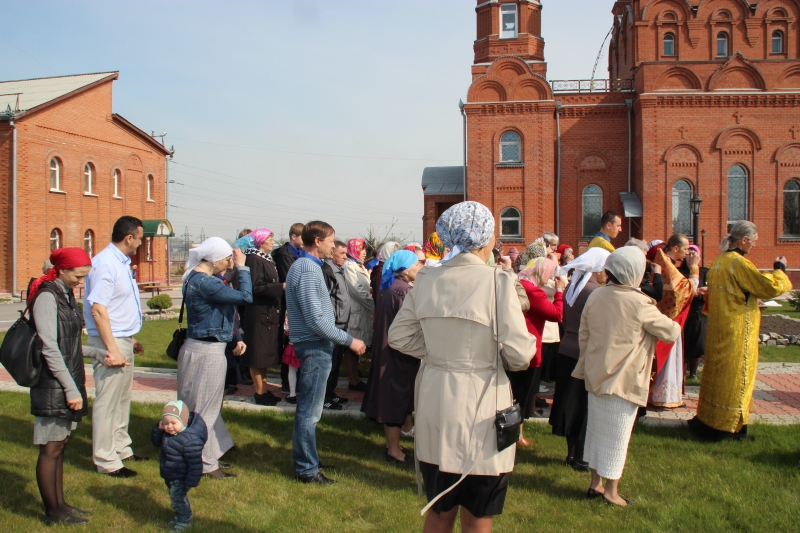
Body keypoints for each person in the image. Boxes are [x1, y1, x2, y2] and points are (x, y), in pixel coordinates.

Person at [388, 201, 536, 532]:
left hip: (436, 402)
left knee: (439, 510)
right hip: (483, 404)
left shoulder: (426, 277)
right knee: (478, 513)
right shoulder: (497, 281)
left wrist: (436, 353)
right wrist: (495, 357)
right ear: (486, 239)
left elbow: (398, 336)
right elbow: (520, 353)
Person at [574, 247, 680, 506]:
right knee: (618, 437)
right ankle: (611, 492)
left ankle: (595, 485)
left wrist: (585, 366)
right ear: (634, 271)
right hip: (624, 379)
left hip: (596, 375)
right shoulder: (640, 302)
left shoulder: (596, 296)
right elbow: (672, 332)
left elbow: (584, 335)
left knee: (597, 432)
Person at [689, 221, 792, 441]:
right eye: (753, 241)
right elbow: (768, 286)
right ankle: (729, 428)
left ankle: (709, 420)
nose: (754, 246)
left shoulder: (719, 261)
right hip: (737, 331)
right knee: (737, 378)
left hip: (720, 329)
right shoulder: (738, 263)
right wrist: (780, 269)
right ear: (744, 240)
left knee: (718, 376)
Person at [285, 221, 367, 485]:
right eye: (331, 240)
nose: (334, 245)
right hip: (313, 346)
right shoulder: (308, 269)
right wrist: (349, 340)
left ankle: (309, 460)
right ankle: (307, 469)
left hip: (311, 344)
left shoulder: (305, 266)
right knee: (310, 412)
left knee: (309, 410)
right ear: (317, 241)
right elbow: (316, 320)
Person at [29, 248, 105, 525]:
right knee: (50, 448)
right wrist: (70, 389)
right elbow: (49, 347)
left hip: (66, 379)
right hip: (53, 384)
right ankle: (53, 513)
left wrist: (96, 353)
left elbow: (68, 344)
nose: (81, 281)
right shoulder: (48, 297)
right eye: (78, 275)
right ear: (61, 270)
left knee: (60, 445)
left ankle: (61, 505)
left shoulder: (64, 294)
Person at [178, 237, 253, 479]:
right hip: (207, 352)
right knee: (205, 411)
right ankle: (205, 464)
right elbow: (245, 298)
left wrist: (234, 338)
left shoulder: (193, 277)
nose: (230, 262)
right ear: (216, 259)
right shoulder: (206, 283)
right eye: (228, 259)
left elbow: (220, 311)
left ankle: (206, 454)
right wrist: (243, 267)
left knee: (197, 408)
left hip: (197, 347)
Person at [84, 216, 147, 477]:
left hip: (120, 337)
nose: (142, 243)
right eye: (140, 238)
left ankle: (121, 447)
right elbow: (98, 309)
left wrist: (129, 339)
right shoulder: (106, 264)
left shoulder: (121, 262)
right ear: (129, 238)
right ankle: (105, 459)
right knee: (108, 400)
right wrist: (112, 349)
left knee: (121, 399)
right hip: (109, 342)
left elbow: (116, 307)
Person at [549, 247, 610, 472]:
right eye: (604, 268)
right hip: (584, 352)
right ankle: (581, 456)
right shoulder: (594, 291)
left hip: (566, 349)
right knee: (583, 406)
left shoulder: (572, 287)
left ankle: (571, 453)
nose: (606, 273)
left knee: (569, 402)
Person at [362, 249, 424, 463]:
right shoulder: (404, 291)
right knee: (395, 400)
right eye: (416, 265)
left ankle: (394, 445)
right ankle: (393, 450)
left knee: (395, 397)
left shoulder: (389, 287)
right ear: (405, 270)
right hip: (398, 353)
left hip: (387, 349)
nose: (419, 268)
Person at [516, 258, 565, 443]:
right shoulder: (533, 291)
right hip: (528, 349)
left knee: (517, 392)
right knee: (522, 395)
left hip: (516, 346)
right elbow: (557, 314)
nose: (550, 278)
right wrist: (559, 291)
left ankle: (517, 432)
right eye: (549, 274)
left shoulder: (520, 283)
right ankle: (517, 434)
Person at [649, 234, 699, 408]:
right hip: (669, 321)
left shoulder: (665, 262)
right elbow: (684, 290)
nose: (687, 253)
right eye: (685, 249)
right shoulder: (667, 264)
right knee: (668, 358)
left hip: (663, 318)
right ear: (675, 248)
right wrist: (694, 269)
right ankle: (663, 398)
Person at [240, 228, 284, 406]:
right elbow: (255, 287)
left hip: (267, 313)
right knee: (257, 354)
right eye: (269, 239)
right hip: (258, 314)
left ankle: (265, 389)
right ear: (259, 242)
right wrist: (280, 287)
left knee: (264, 354)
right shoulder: (254, 259)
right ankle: (259, 392)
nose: (272, 242)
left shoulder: (264, 258)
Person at [151, 401, 207, 533]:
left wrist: (191, 481)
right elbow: (155, 442)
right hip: (170, 473)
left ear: (184, 422)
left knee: (178, 498)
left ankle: (184, 520)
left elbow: (195, 463)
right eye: (166, 423)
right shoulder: (168, 434)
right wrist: (158, 429)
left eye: (173, 423)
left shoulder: (189, 440)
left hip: (180, 476)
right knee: (174, 496)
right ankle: (180, 515)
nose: (169, 426)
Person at [272, 223, 305, 393]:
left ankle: (295, 380)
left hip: (295, 304)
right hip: (288, 304)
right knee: (288, 344)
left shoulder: (298, 253)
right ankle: (287, 382)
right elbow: (290, 278)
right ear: (293, 236)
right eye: (302, 237)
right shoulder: (285, 255)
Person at [322, 241, 352, 410]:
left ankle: (331, 392)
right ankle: (324, 397)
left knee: (336, 362)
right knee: (330, 363)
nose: (345, 257)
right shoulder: (327, 270)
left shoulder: (338, 270)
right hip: (333, 324)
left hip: (342, 324)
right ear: (332, 254)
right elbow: (325, 298)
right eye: (342, 253)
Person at [343, 238, 374, 392]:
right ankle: (353, 381)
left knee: (359, 346)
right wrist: (374, 305)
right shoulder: (349, 266)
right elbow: (358, 292)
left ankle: (355, 376)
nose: (364, 253)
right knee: (351, 348)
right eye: (362, 250)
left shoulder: (359, 266)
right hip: (355, 312)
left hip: (363, 312)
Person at [681, 245, 708, 379]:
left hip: (699, 310)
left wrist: (705, 291)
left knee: (698, 342)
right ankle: (682, 372)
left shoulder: (704, 272)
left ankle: (693, 373)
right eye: (688, 254)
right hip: (684, 309)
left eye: (694, 254)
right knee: (684, 341)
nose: (691, 257)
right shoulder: (679, 271)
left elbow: (711, 286)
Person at [370, 241, 402, 305]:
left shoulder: (389, 269)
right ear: (388, 253)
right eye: (395, 253)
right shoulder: (381, 271)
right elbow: (379, 296)